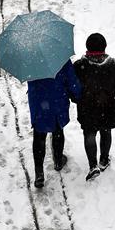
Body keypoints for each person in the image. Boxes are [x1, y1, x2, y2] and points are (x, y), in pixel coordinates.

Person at [73, 33, 115, 181]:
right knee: (106, 131)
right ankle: (104, 160)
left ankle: (93, 165)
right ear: (104, 46)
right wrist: (111, 96)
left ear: (87, 47)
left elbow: (73, 88)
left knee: (89, 135)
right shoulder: (114, 64)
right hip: (108, 109)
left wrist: (79, 98)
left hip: (87, 109)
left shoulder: (79, 66)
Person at [27, 58, 82, 189]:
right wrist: (77, 94)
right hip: (57, 99)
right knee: (57, 130)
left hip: (38, 101)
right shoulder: (60, 58)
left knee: (39, 136)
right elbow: (72, 81)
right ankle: (58, 160)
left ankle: (39, 173)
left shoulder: (29, 60)